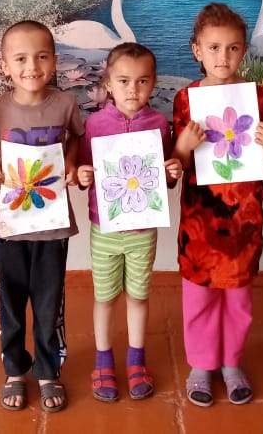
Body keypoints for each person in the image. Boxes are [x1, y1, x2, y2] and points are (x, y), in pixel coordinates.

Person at [171, 3, 263, 407]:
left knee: (238, 297)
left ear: (244, 51)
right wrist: (183, 146)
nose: (224, 57)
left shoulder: (259, 97)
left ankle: (232, 363)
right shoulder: (185, 99)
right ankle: (201, 365)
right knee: (199, 296)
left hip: (244, 218)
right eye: (214, 48)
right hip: (200, 219)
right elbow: (179, 163)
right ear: (197, 50)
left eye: (233, 48)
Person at [0, 20, 84, 413]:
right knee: (10, 299)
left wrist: (70, 163)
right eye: (20, 59)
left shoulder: (66, 104)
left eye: (41, 57)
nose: (31, 67)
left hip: (53, 223)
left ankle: (49, 369)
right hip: (10, 224)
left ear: (54, 61)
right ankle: (15, 370)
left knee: (49, 301)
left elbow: (77, 137)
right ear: (4, 65)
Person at [74, 43, 183, 403]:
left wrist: (172, 172)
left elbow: (162, 180)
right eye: (123, 81)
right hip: (104, 229)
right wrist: (83, 176)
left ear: (153, 83)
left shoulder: (159, 124)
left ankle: (136, 359)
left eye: (142, 81)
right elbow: (84, 171)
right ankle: (103, 361)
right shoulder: (94, 124)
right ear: (108, 83)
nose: (133, 90)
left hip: (142, 231)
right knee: (104, 298)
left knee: (138, 296)